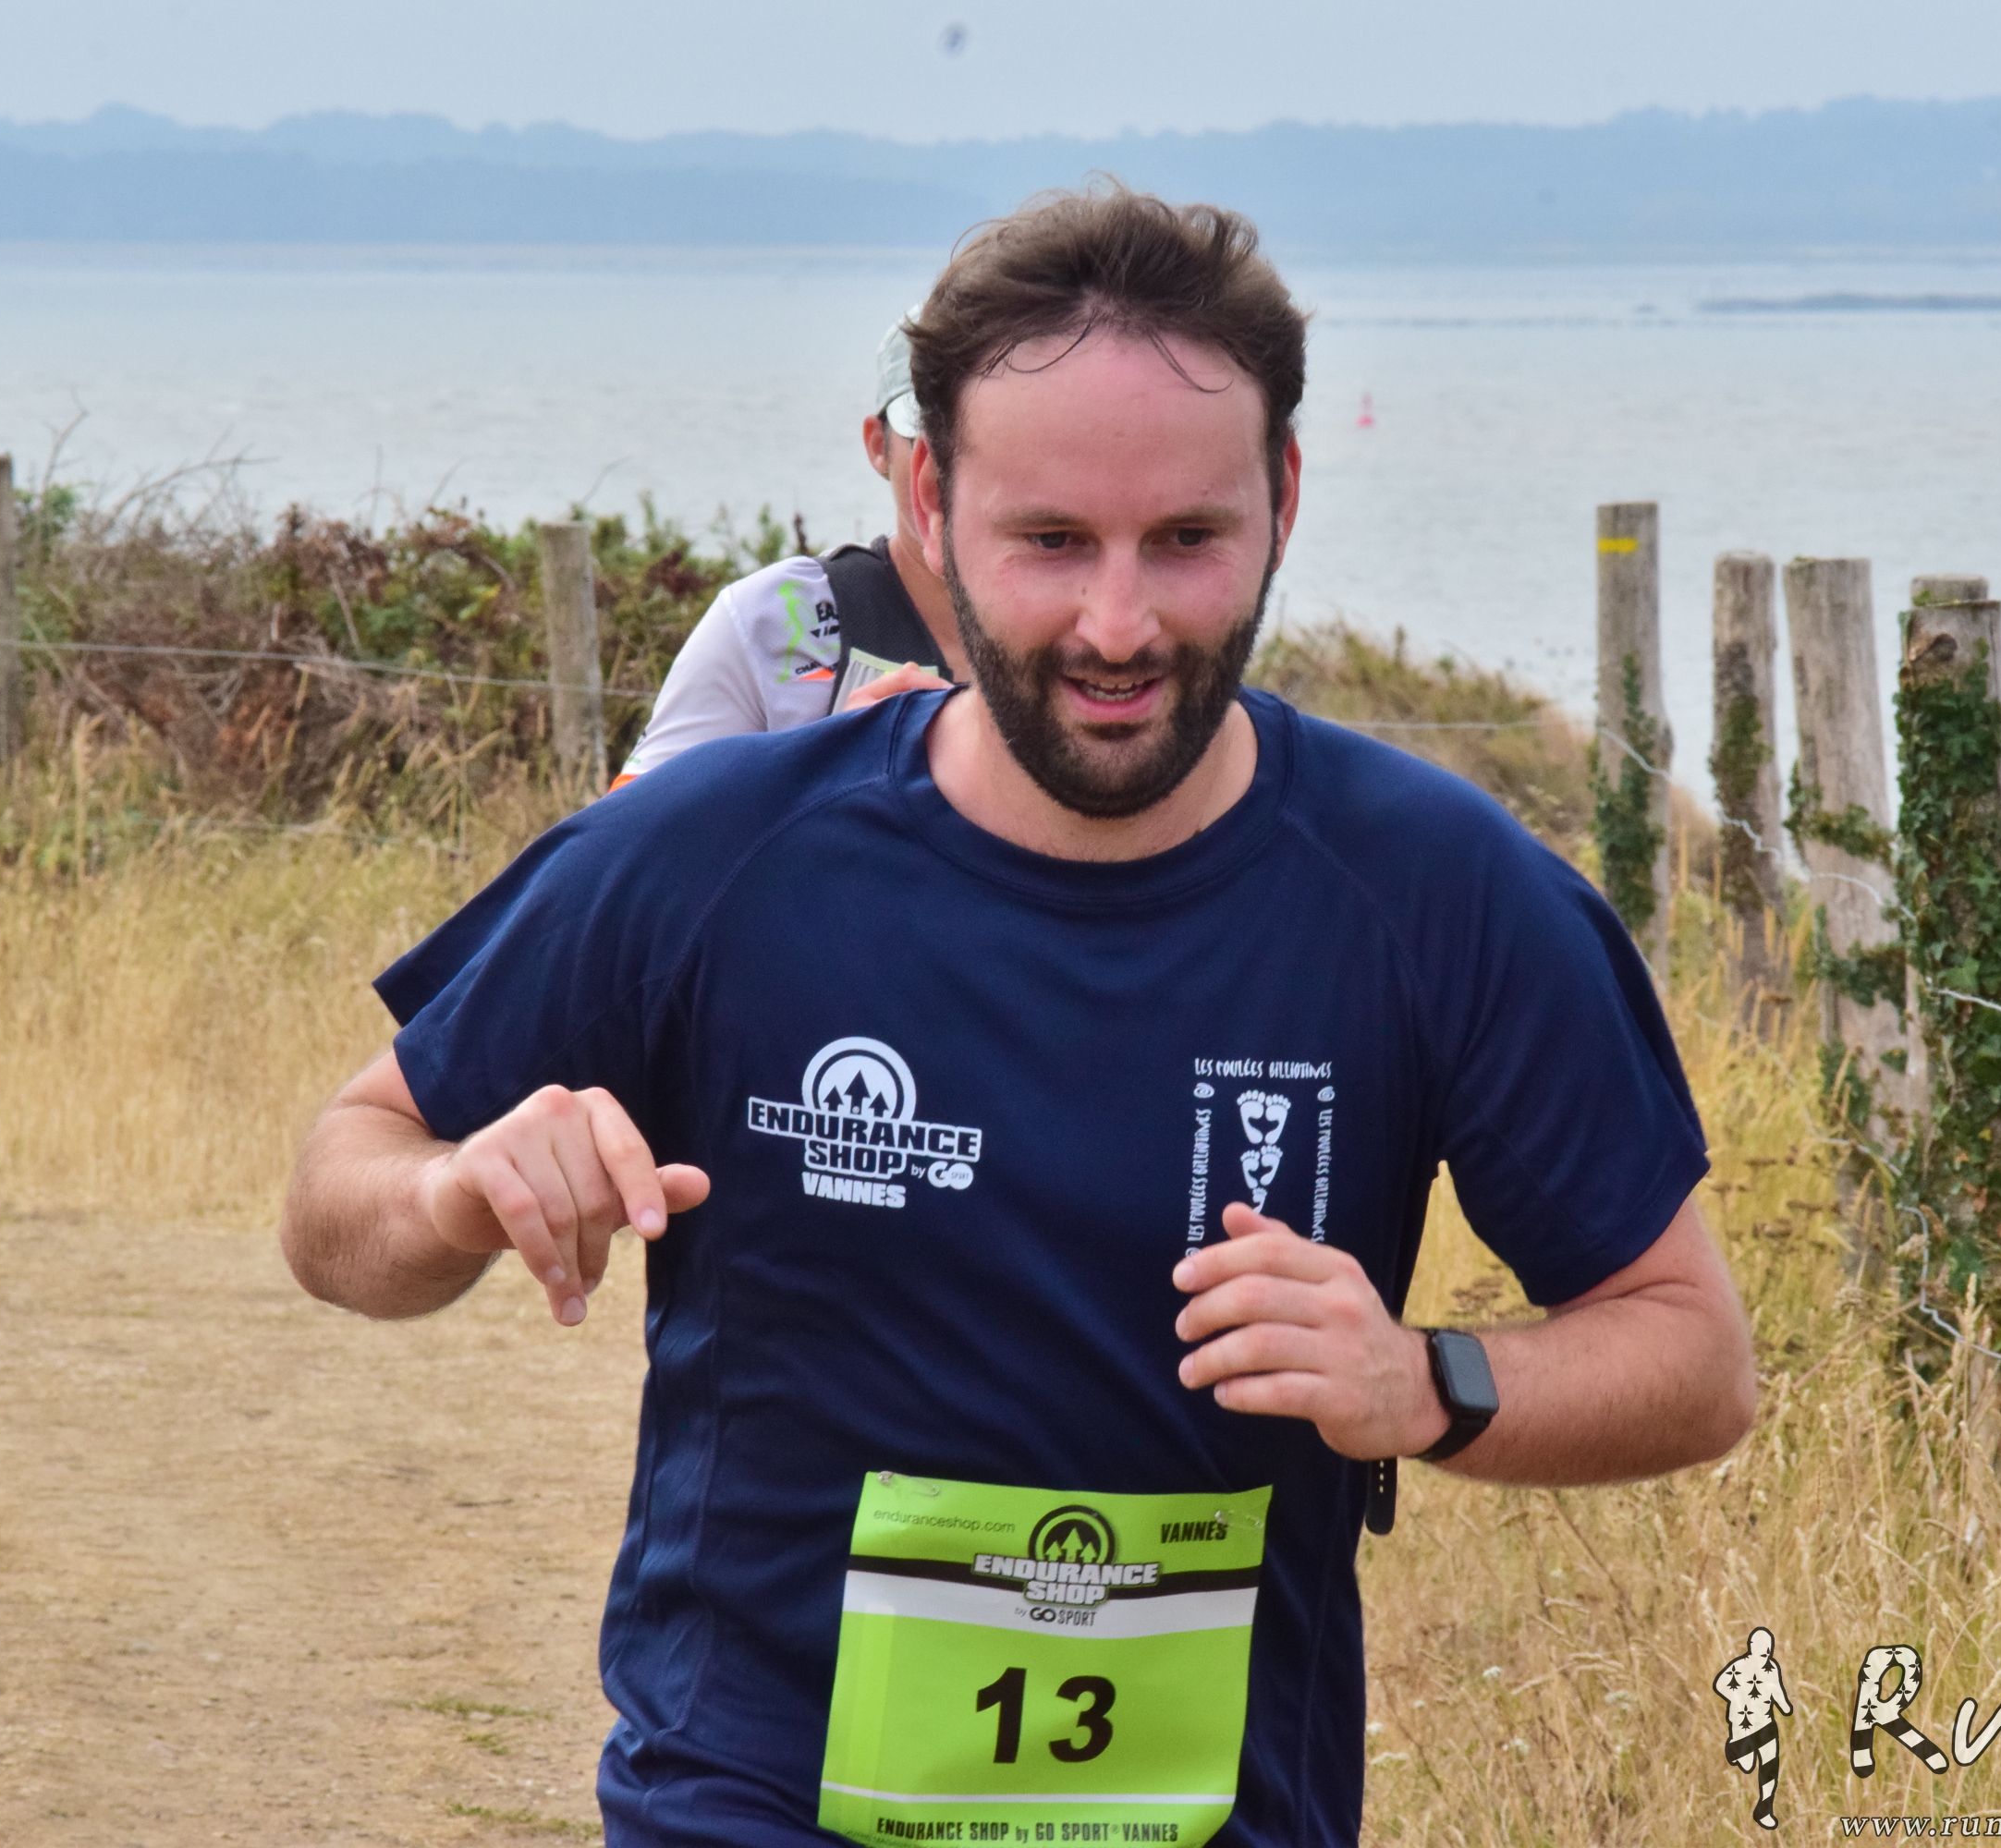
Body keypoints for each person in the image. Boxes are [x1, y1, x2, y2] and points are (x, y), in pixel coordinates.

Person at [280, 183, 1756, 1848]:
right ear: (927, 501)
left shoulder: (1443, 896)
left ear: (1282, 496)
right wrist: (452, 1192)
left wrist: (1426, 1383)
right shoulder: (712, 856)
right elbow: (342, 1187)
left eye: (1185, 540)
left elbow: (1693, 1357)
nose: (1118, 626)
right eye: (1050, 541)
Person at [610, 320, 969, 786]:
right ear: (878, 446)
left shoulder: (1068, 628)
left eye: (988, 440)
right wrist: (834, 769)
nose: (951, 471)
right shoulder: (770, 618)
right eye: (929, 440)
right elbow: (634, 822)